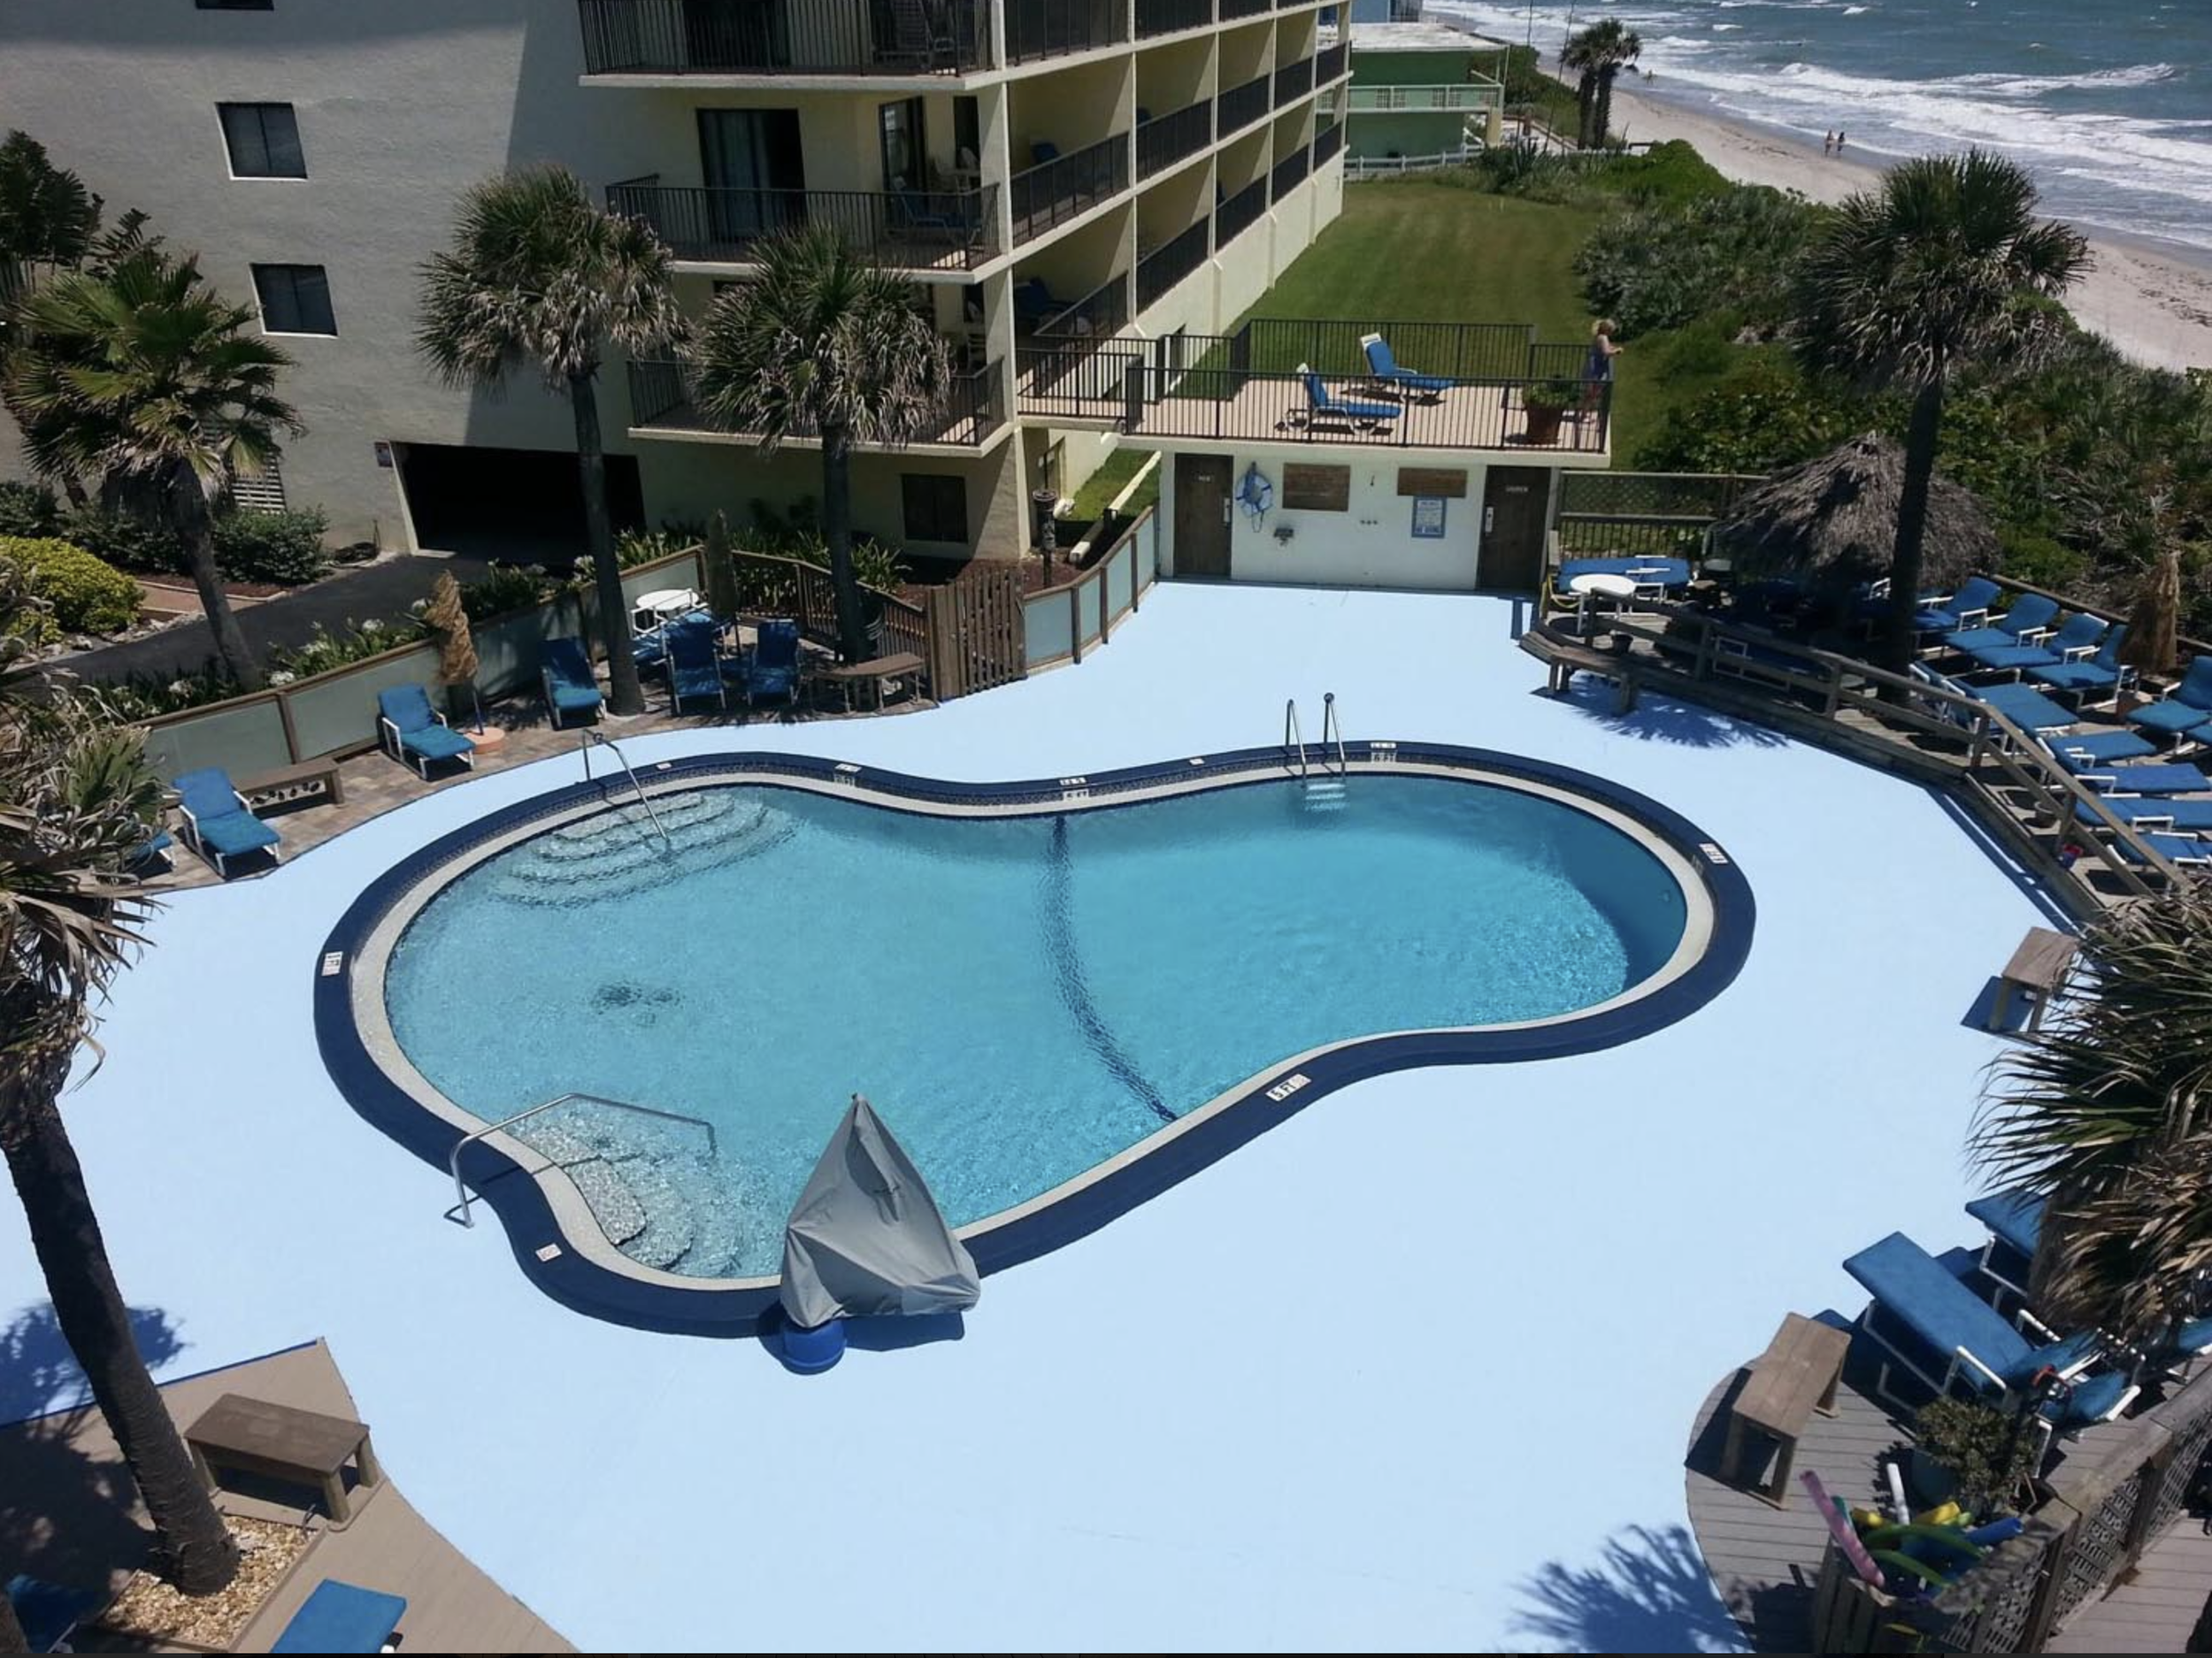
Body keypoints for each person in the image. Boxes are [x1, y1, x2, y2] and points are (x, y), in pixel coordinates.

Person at [1582, 319, 1622, 418]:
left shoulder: (1599, 337)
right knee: (1593, 392)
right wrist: (1617, 351)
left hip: (1594, 365)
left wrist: (1611, 348)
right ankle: (1585, 413)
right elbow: (1606, 352)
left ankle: (1585, 412)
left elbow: (1604, 348)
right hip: (1596, 367)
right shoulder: (1603, 338)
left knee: (1592, 392)